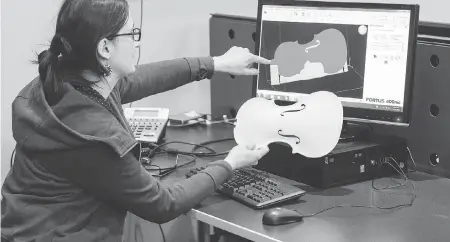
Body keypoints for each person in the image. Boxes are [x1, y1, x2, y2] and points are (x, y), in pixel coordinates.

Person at [0, 0, 271, 241]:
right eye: (133, 34)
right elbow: (163, 204)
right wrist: (230, 163)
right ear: (105, 47)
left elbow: (139, 79)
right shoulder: (93, 135)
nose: (137, 42)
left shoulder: (60, 83)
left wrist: (215, 63)